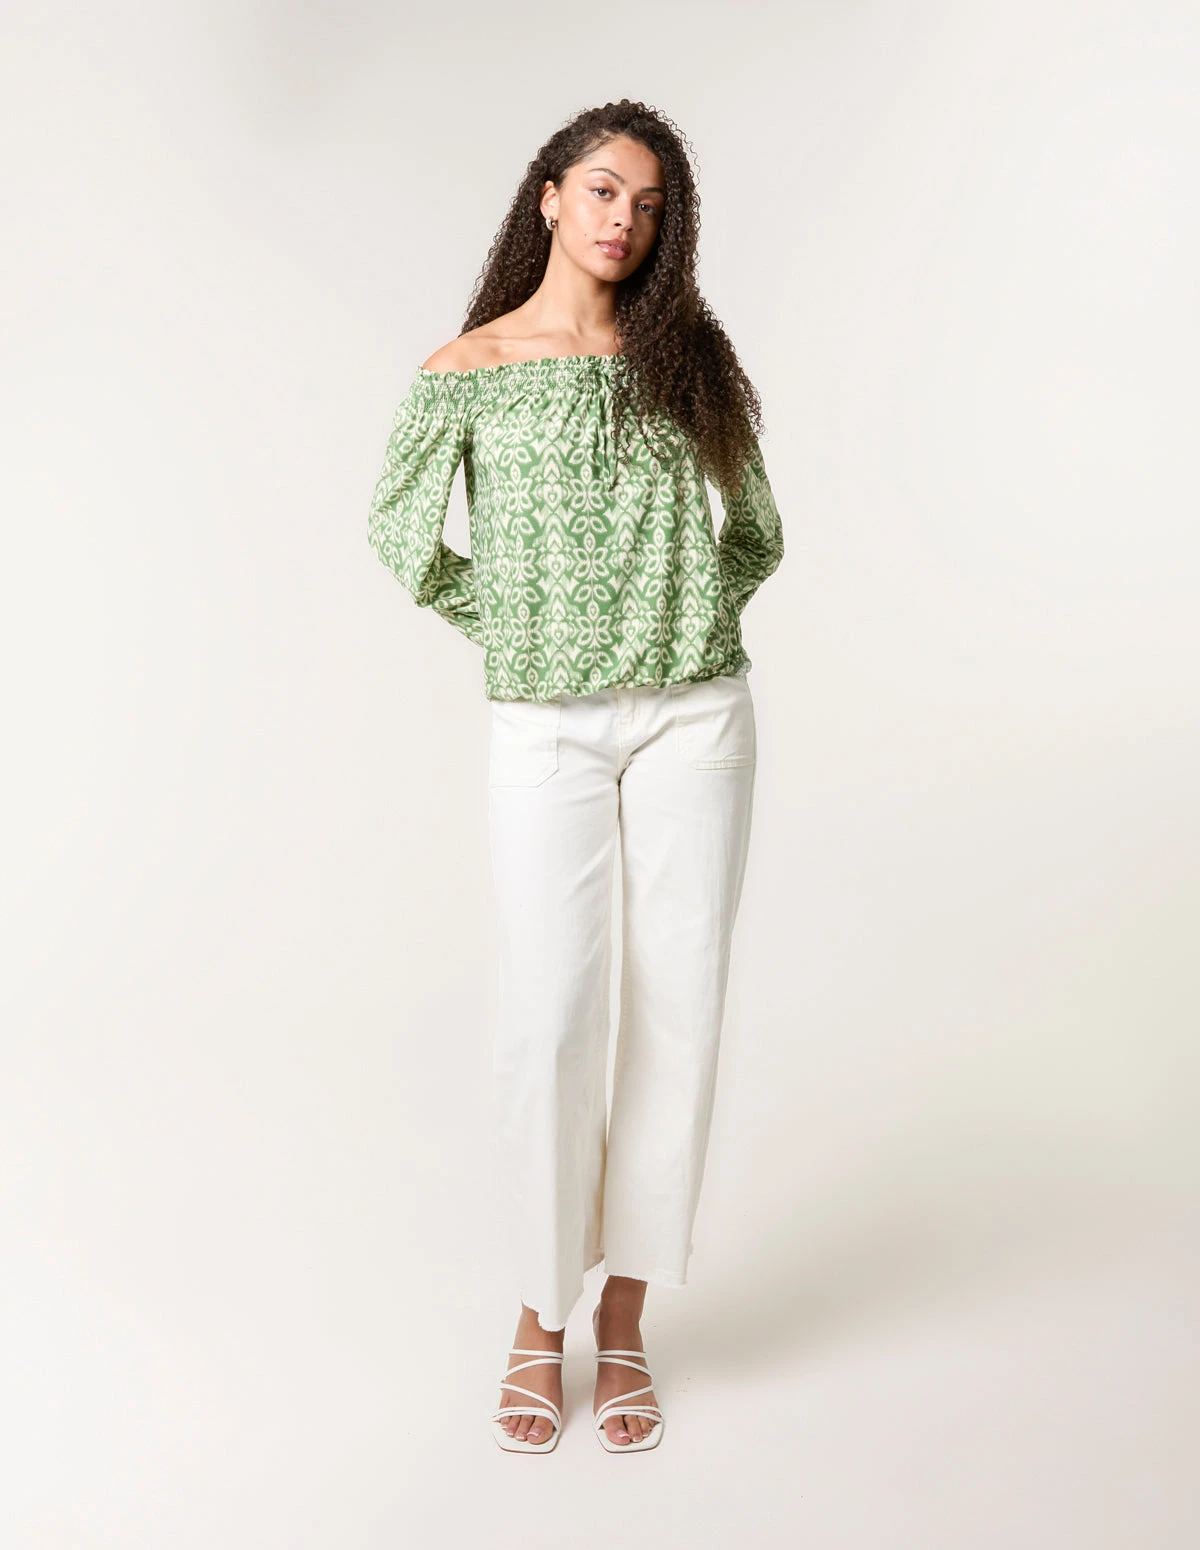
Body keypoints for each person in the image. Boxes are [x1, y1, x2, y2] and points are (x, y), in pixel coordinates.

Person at [367, 98, 784, 1453]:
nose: (623, 219)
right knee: (551, 1016)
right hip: (546, 726)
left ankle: (626, 1316)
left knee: (680, 1010)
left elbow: (757, 531)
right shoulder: (469, 368)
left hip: (694, 720)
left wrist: (685, 621)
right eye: (603, 189)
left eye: (649, 205)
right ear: (549, 195)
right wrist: (522, 624)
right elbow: (399, 532)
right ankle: (540, 1314)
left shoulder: (687, 356)